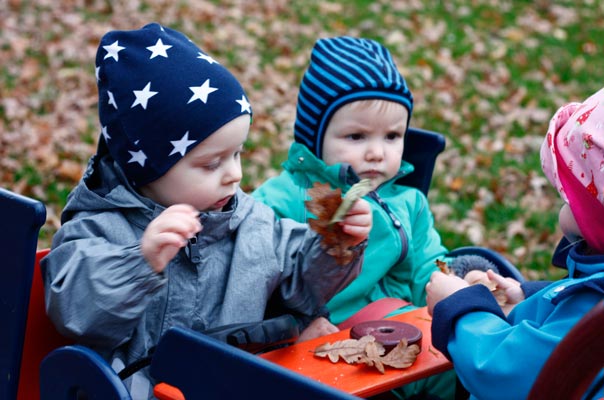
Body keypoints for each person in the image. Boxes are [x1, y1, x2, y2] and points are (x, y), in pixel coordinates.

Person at [41, 23, 372, 399]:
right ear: (148, 167)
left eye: (237, 154)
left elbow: (303, 284)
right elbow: (77, 312)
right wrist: (140, 261)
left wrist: (334, 243)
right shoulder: (99, 229)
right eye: (212, 163)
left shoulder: (251, 223)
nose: (235, 174)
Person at [253, 36, 460, 399]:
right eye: (356, 136)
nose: (378, 153)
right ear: (315, 137)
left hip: (405, 336)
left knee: (461, 370)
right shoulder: (285, 198)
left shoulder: (407, 201)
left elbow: (428, 263)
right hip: (327, 350)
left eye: (393, 136)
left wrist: (454, 286)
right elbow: (255, 276)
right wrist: (295, 329)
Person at [426, 87, 604, 400]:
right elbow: (573, 309)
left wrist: (460, 306)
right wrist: (531, 297)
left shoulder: (593, 323)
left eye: (567, 197)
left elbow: (501, 371)